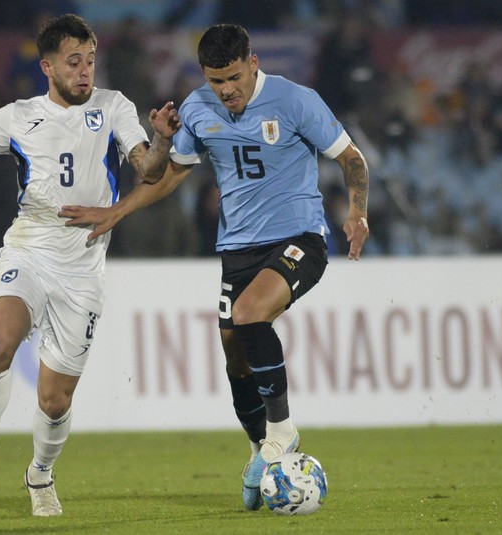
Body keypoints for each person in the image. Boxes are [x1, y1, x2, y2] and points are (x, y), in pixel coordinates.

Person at [59, 24, 370, 510]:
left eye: (231, 78)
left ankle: (282, 432)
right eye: (214, 80)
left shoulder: (294, 101)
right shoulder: (200, 108)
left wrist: (357, 212)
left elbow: (351, 158)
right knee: (234, 354)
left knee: (248, 315)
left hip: (298, 238)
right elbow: (168, 175)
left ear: (252, 63)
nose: (225, 90)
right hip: (238, 249)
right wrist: (119, 207)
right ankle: (257, 452)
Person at [0, 13, 180, 516]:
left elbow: (149, 168)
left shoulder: (114, 107)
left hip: (83, 268)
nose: (85, 71)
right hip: (29, 249)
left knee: (54, 400)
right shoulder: (18, 115)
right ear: (47, 67)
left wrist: (163, 139)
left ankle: (40, 474)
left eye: (90, 60)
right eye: (73, 62)